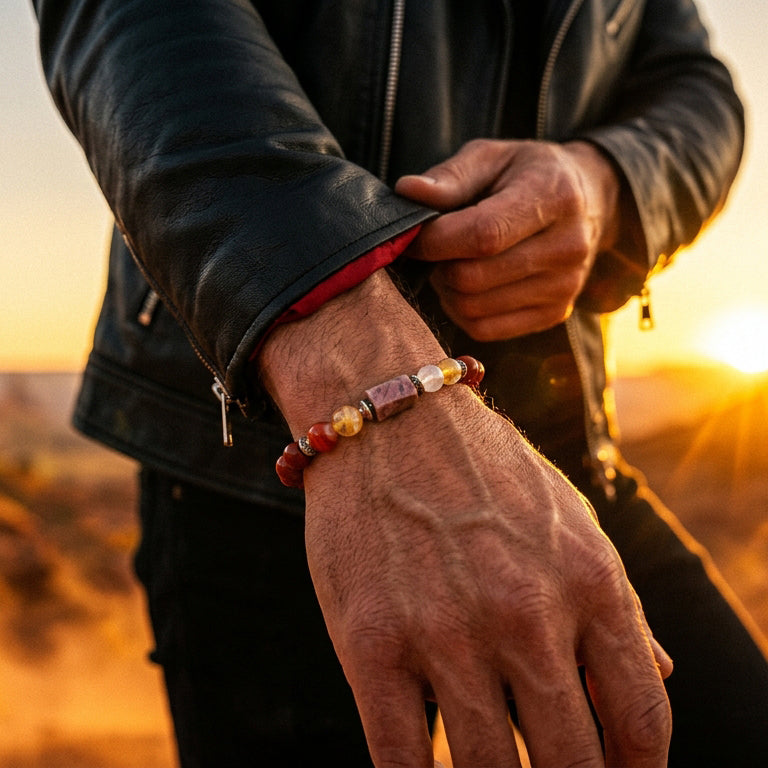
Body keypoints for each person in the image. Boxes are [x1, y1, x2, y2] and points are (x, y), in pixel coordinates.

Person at [33, 0, 768, 765]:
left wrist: (607, 183)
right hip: (261, 464)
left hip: (561, 447)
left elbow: (695, 83)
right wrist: (353, 359)